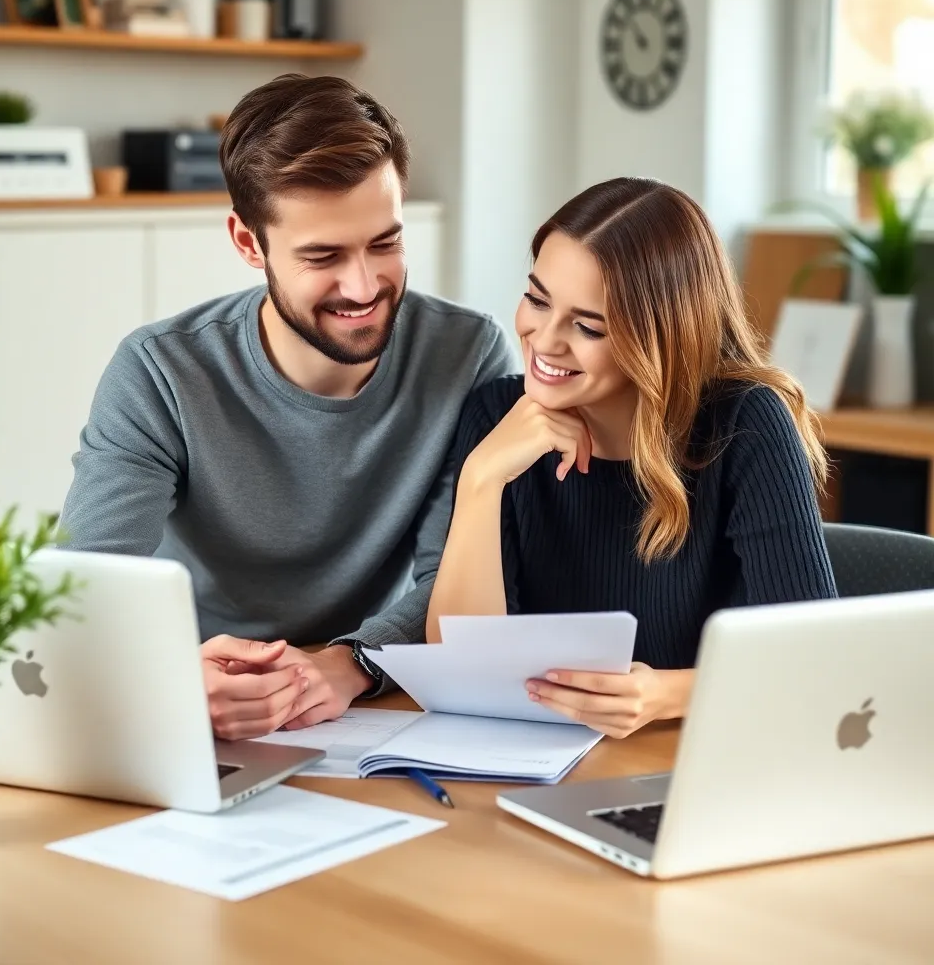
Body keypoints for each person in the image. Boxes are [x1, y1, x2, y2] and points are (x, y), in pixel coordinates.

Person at [59, 73, 515, 739]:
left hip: (370, 703)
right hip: (197, 709)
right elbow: (81, 591)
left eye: (384, 243)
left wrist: (352, 661)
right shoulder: (161, 370)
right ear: (249, 244)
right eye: (322, 255)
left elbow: (457, 580)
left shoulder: (467, 354)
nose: (363, 286)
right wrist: (169, 676)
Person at [426, 177, 837, 738]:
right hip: (533, 759)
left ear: (659, 337)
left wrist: (664, 694)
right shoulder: (496, 414)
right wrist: (480, 481)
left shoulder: (744, 425)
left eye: (587, 325)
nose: (544, 341)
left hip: (690, 758)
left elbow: (810, 657)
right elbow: (461, 667)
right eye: (536, 299)